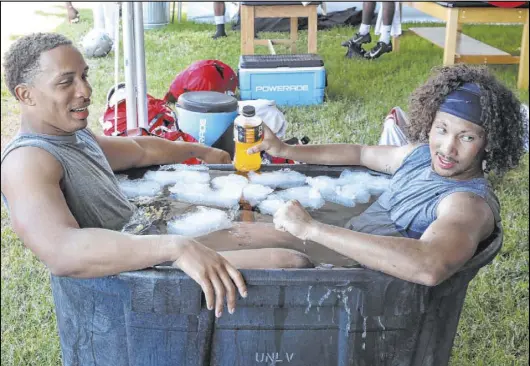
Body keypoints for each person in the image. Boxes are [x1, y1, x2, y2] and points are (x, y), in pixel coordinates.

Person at [0, 33, 308, 320]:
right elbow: (61, 251)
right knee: (291, 262)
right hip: (129, 276)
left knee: (285, 233)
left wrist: (201, 151)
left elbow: (139, 149)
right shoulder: (26, 162)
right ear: (26, 95)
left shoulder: (74, 136)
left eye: (84, 75)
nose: (85, 91)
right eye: (66, 82)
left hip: (146, 242)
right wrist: (175, 247)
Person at [197, 64, 527, 287]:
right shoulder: (418, 157)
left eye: (466, 137)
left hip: (364, 285)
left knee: (289, 258)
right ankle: (174, 256)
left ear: (489, 144)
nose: (447, 147)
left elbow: (430, 266)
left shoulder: (467, 203)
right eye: (441, 129)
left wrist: (313, 228)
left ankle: (184, 279)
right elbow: (360, 153)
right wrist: (286, 148)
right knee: (242, 232)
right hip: (346, 246)